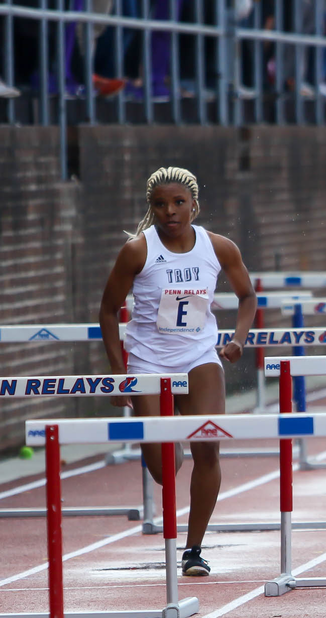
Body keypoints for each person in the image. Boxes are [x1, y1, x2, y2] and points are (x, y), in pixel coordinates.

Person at [99, 167, 257, 577]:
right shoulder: (138, 250)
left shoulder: (218, 247)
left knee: (209, 448)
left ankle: (194, 550)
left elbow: (247, 296)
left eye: (178, 203)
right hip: (148, 360)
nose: (170, 211)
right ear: (151, 208)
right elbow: (107, 309)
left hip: (199, 356)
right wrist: (119, 371)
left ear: (194, 205)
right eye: (160, 205)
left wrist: (238, 339)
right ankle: (171, 443)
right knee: (164, 469)